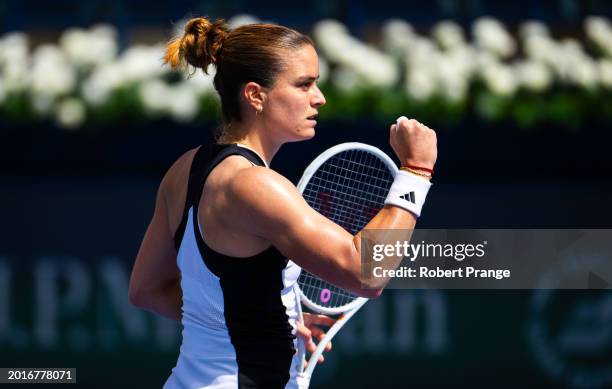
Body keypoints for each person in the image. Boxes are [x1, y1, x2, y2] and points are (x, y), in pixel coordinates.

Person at [129, 16, 437, 389]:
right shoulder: (256, 186)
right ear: (256, 95)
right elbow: (366, 273)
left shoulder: (184, 169)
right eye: (304, 84)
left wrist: (262, 321)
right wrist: (415, 172)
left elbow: (146, 290)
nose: (319, 97)